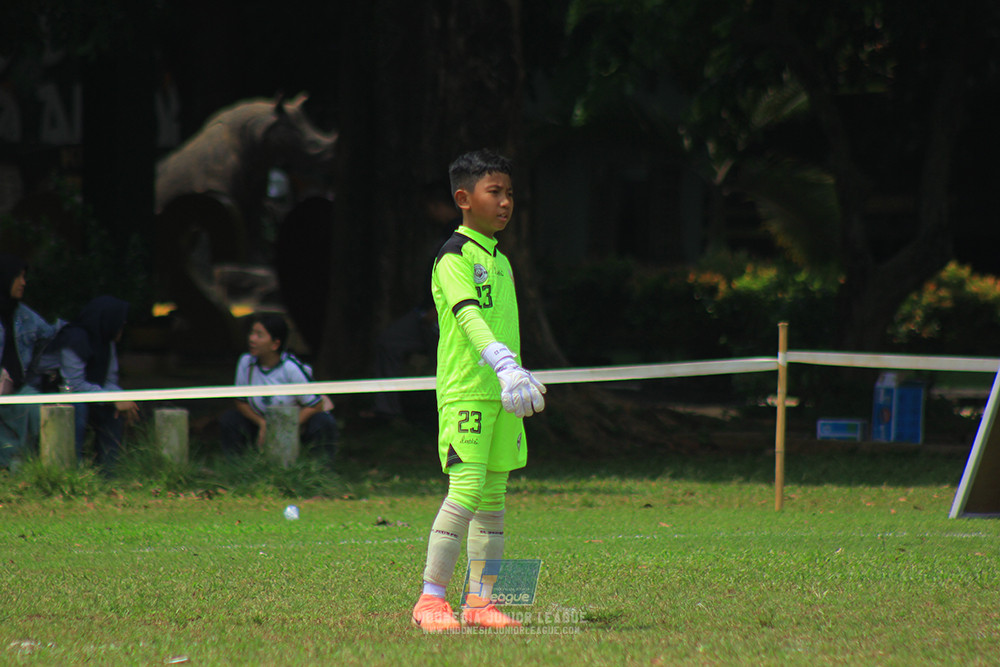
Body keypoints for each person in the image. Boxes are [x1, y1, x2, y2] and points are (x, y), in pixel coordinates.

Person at [410, 150, 547, 632]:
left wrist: (515, 374)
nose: (506, 202)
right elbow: (468, 316)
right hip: (468, 391)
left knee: (494, 497)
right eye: (496, 192)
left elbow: (501, 324)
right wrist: (505, 365)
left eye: (510, 193)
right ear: (463, 198)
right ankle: (430, 601)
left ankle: (480, 603)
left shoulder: (502, 261)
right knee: (465, 490)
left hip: (503, 395)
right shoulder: (454, 255)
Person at [367, 182, 460, 422]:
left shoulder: (462, 234)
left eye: (429, 207)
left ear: (439, 206)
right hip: (424, 312)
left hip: (447, 315)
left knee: (447, 364)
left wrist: (439, 308)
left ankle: (450, 416)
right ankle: (387, 411)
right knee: (389, 342)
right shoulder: (441, 233)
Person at [219, 313, 337, 465]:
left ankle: (320, 468)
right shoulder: (245, 363)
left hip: (295, 425)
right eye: (252, 333)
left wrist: (286, 427)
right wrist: (263, 424)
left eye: (259, 335)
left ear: (275, 344)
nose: (252, 339)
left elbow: (315, 404)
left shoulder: (291, 368)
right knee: (230, 419)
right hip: (261, 423)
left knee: (323, 421)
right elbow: (241, 402)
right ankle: (238, 467)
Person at [39, 295, 139, 470]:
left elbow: (109, 380)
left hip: (87, 393)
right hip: (54, 393)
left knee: (114, 412)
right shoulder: (74, 339)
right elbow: (74, 384)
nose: (123, 326)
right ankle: (70, 470)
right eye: (120, 321)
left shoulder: (107, 341)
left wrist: (121, 398)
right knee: (79, 407)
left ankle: (108, 473)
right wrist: (112, 398)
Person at [0, 253, 63, 468]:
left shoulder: (23, 315)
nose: (23, 283)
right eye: (19, 277)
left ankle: (52, 472)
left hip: (17, 389)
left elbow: (51, 335)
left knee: (46, 410)